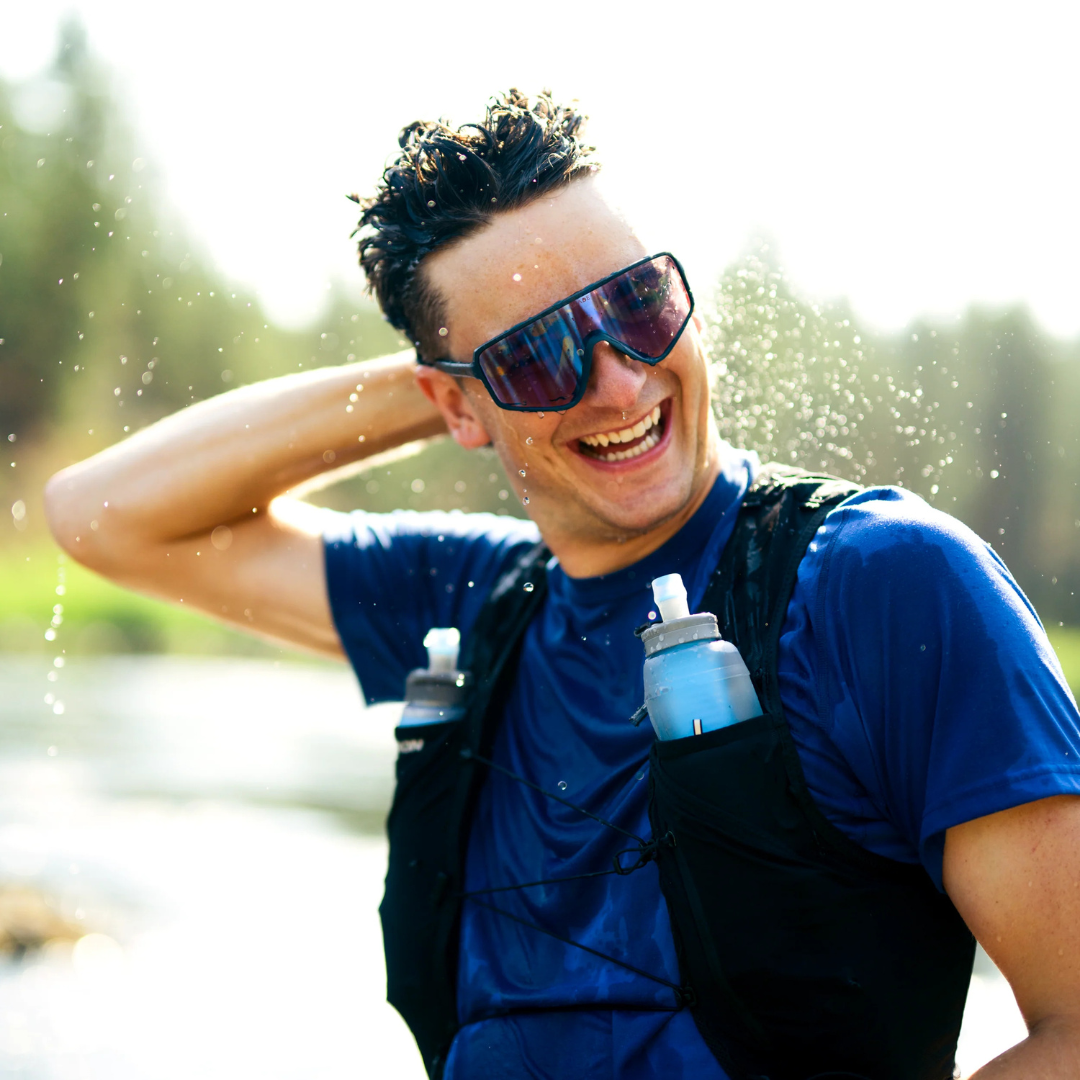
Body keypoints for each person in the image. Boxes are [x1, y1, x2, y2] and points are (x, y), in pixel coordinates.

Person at [45, 90, 1080, 1079]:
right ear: (456, 408)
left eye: (639, 303)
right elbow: (100, 515)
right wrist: (453, 378)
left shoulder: (878, 583)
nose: (620, 381)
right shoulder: (467, 608)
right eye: (542, 357)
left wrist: (506, 361)